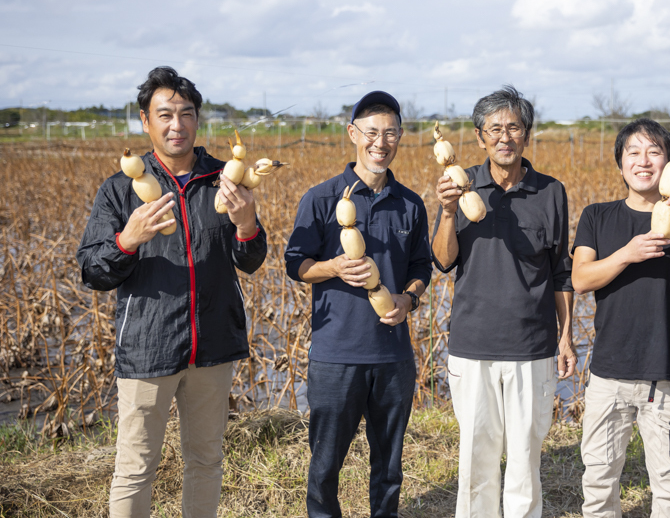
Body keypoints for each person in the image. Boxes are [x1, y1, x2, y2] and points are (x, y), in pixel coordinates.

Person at [77, 66, 267, 518]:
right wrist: (128, 240)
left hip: (213, 345)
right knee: (135, 468)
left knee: (206, 460)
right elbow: (92, 271)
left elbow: (251, 260)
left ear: (198, 119)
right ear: (146, 121)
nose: (176, 124)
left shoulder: (226, 179)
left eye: (185, 114)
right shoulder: (121, 189)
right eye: (164, 115)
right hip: (148, 348)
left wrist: (247, 225)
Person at [284, 91, 432, 518]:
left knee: (389, 468)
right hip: (336, 355)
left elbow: (421, 267)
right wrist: (332, 267)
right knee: (325, 466)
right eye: (371, 132)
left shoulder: (410, 204)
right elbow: (296, 264)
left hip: (393, 356)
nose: (380, 143)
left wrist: (408, 298)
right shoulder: (321, 199)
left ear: (400, 137)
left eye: (390, 133)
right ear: (353, 133)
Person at [431, 85, 575, 518]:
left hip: (532, 346)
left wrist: (566, 337)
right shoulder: (459, 185)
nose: (504, 137)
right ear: (480, 137)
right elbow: (442, 261)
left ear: (526, 135)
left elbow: (561, 271)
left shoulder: (551, 192)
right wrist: (449, 212)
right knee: (476, 457)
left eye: (513, 127)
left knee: (525, 459)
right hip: (472, 344)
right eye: (494, 129)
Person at [571, 118, 670, 518]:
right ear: (620, 164)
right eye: (633, 152)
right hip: (609, 375)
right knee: (599, 482)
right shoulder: (597, 216)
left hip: (666, 375)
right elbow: (580, 279)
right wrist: (627, 254)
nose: (643, 161)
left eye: (654, 152)